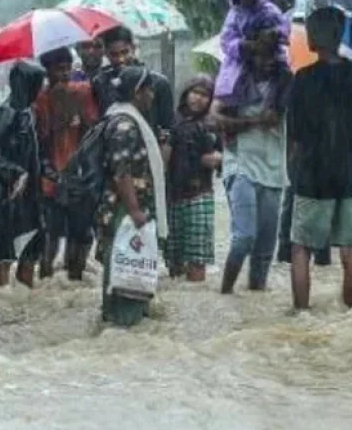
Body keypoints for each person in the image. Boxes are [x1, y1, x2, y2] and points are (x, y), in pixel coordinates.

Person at [287, 7, 352, 311]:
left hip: (313, 176)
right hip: (351, 175)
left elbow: (295, 133)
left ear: (313, 38)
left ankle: (301, 314)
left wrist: (293, 169)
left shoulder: (303, 79)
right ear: (339, 36)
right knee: (350, 247)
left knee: (301, 247)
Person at [96, 66, 168, 326]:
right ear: (138, 92)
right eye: (149, 90)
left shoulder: (120, 118)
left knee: (124, 271)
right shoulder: (125, 125)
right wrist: (135, 210)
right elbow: (121, 171)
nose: (152, 96)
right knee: (126, 271)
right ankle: (124, 325)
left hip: (126, 208)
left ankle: (117, 326)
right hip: (124, 211)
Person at [211, 49, 287, 294]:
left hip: (273, 168)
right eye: (263, 54)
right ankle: (225, 293)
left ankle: (256, 298)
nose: (268, 60)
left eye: (273, 54)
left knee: (265, 247)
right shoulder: (235, 82)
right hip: (240, 163)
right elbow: (213, 118)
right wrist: (255, 122)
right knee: (244, 236)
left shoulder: (285, 85)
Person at [0, 61, 47, 288]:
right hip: (7, 193)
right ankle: (1, 298)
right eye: (37, 84)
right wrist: (14, 173)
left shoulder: (27, 111)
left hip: (29, 192)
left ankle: (26, 298)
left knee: (31, 246)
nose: (40, 89)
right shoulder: (7, 113)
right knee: (5, 253)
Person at [34, 47, 99, 280]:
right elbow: (37, 139)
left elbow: (94, 127)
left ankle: (75, 277)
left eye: (68, 69)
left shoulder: (82, 93)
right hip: (49, 179)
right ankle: (45, 278)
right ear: (47, 71)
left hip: (79, 177)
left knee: (81, 234)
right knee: (50, 235)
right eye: (59, 69)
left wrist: (77, 114)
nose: (64, 74)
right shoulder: (39, 99)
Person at [214, 0, 292, 145]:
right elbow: (226, 41)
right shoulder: (234, 16)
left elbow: (284, 26)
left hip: (271, 150)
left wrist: (275, 34)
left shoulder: (270, 10)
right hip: (243, 151)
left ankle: (274, 107)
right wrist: (246, 46)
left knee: (285, 73)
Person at [165, 75, 222, 281]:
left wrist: (216, 158)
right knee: (174, 260)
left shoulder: (212, 124)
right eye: (195, 92)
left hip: (200, 195)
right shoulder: (173, 121)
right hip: (174, 196)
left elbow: (224, 154)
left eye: (205, 95)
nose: (198, 98)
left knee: (197, 259)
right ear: (186, 93)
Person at [92, 26, 175, 146]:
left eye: (125, 52)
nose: (121, 59)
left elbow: (168, 127)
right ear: (106, 54)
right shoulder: (101, 83)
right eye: (114, 54)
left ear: (133, 48)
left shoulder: (158, 83)